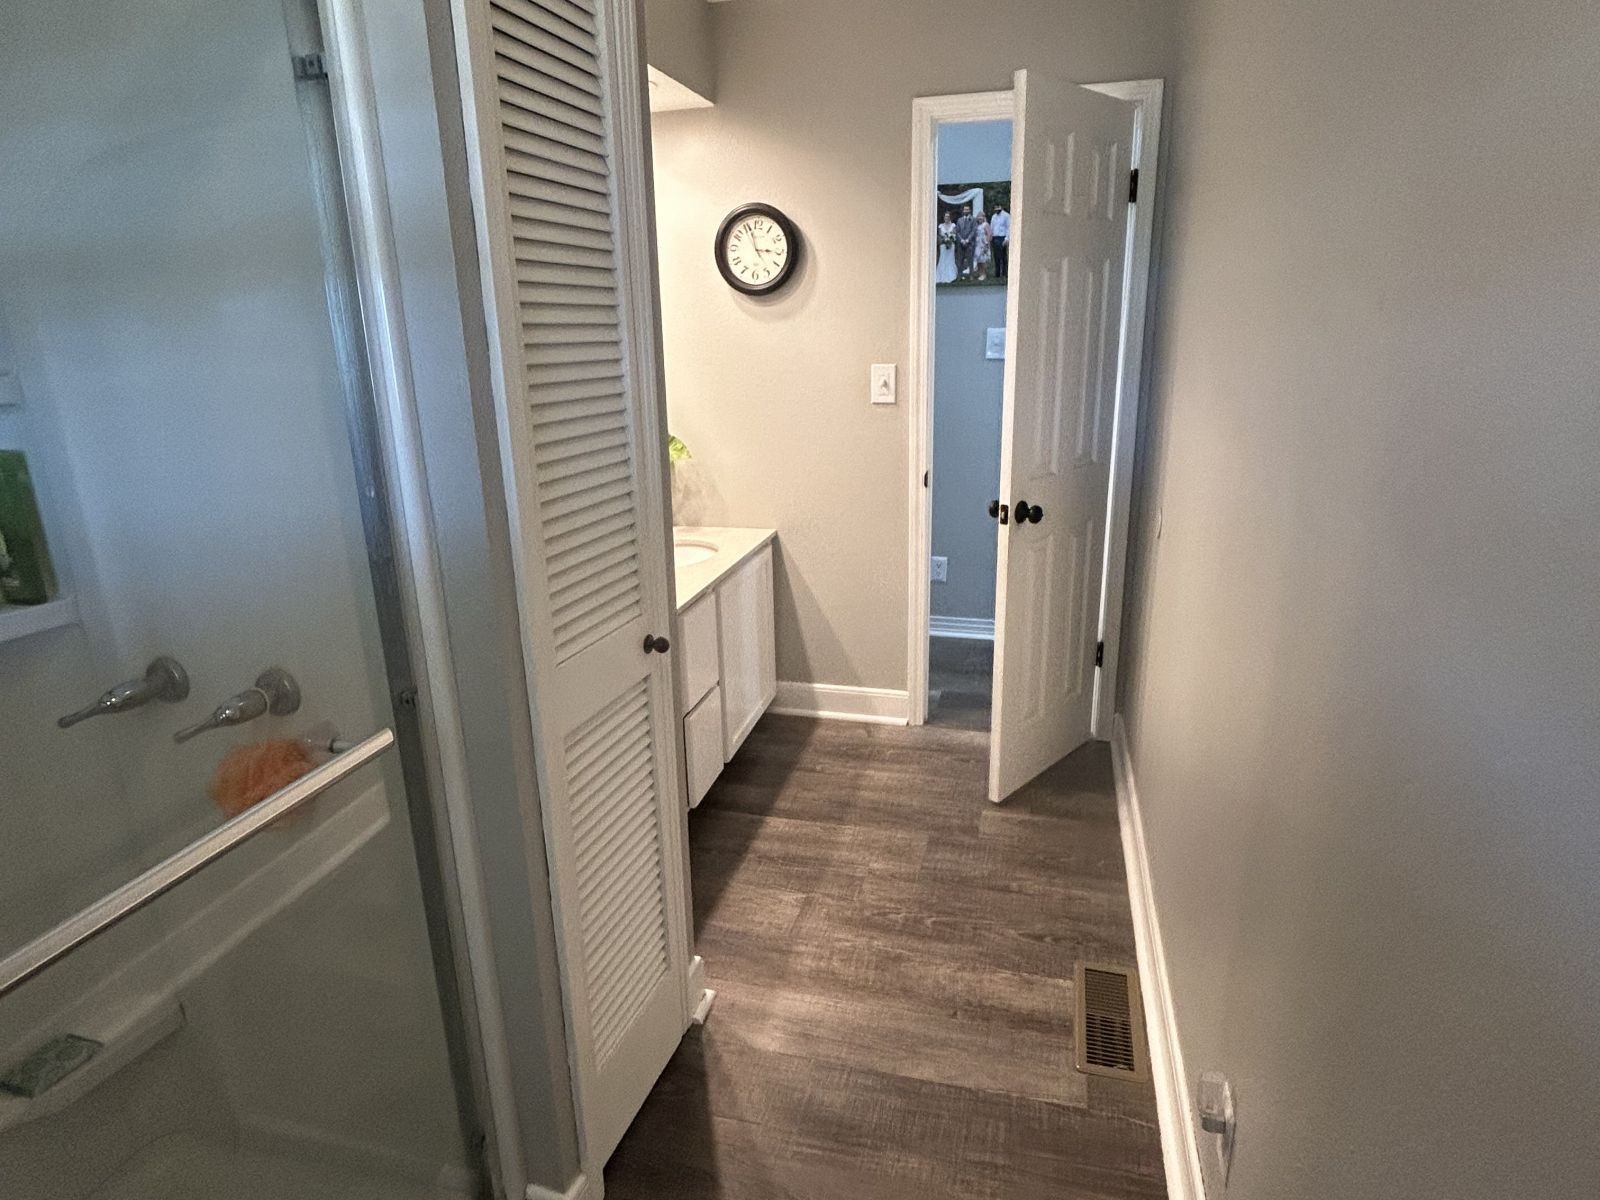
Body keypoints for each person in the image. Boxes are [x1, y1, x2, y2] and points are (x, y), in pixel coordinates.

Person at [953, 205, 977, 279]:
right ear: (963, 211)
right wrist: (961, 240)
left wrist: (967, 240)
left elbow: (973, 230)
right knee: (960, 259)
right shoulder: (959, 220)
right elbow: (957, 231)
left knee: (970, 259)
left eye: (967, 209)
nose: (966, 211)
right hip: (961, 243)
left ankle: (971, 275)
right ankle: (960, 275)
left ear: (969, 210)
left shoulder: (973, 219)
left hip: (969, 243)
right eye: (965, 209)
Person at [935, 213, 958, 284]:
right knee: (942, 259)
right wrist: (944, 240)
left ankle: (951, 276)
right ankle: (941, 276)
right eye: (945, 216)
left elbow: (954, 235)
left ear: (950, 217)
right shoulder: (941, 226)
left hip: (951, 246)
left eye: (948, 216)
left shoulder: (953, 225)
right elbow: (939, 235)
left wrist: (950, 239)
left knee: (950, 259)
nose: (947, 218)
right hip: (943, 245)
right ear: (944, 217)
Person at [990, 203, 1010, 279]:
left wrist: (1007, 238)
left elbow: (1009, 227)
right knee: (996, 257)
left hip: (1003, 237)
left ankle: (1005, 273)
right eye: (995, 208)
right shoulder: (994, 216)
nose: (996, 210)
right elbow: (992, 227)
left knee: (1003, 257)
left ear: (1001, 207)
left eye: (997, 208)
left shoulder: (1006, 216)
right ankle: (997, 274)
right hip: (995, 238)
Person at [974, 213, 992, 281]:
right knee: (978, 260)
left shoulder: (986, 224)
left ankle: (984, 274)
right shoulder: (977, 225)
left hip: (984, 244)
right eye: (978, 217)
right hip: (977, 244)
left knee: (983, 260)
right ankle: (980, 273)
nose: (980, 218)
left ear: (983, 217)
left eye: (981, 217)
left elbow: (989, 234)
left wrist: (987, 243)